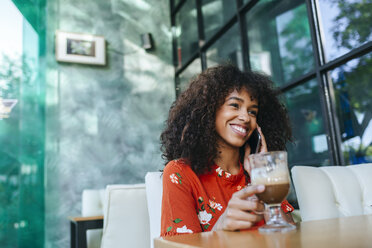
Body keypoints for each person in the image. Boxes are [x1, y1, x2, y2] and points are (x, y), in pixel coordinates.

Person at [160, 64, 294, 236]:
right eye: (235, 105)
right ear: (209, 110)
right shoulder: (180, 173)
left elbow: (291, 236)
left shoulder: (256, 173)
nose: (245, 117)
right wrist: (220, 228)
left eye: (252, 112)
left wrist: (261, 174)